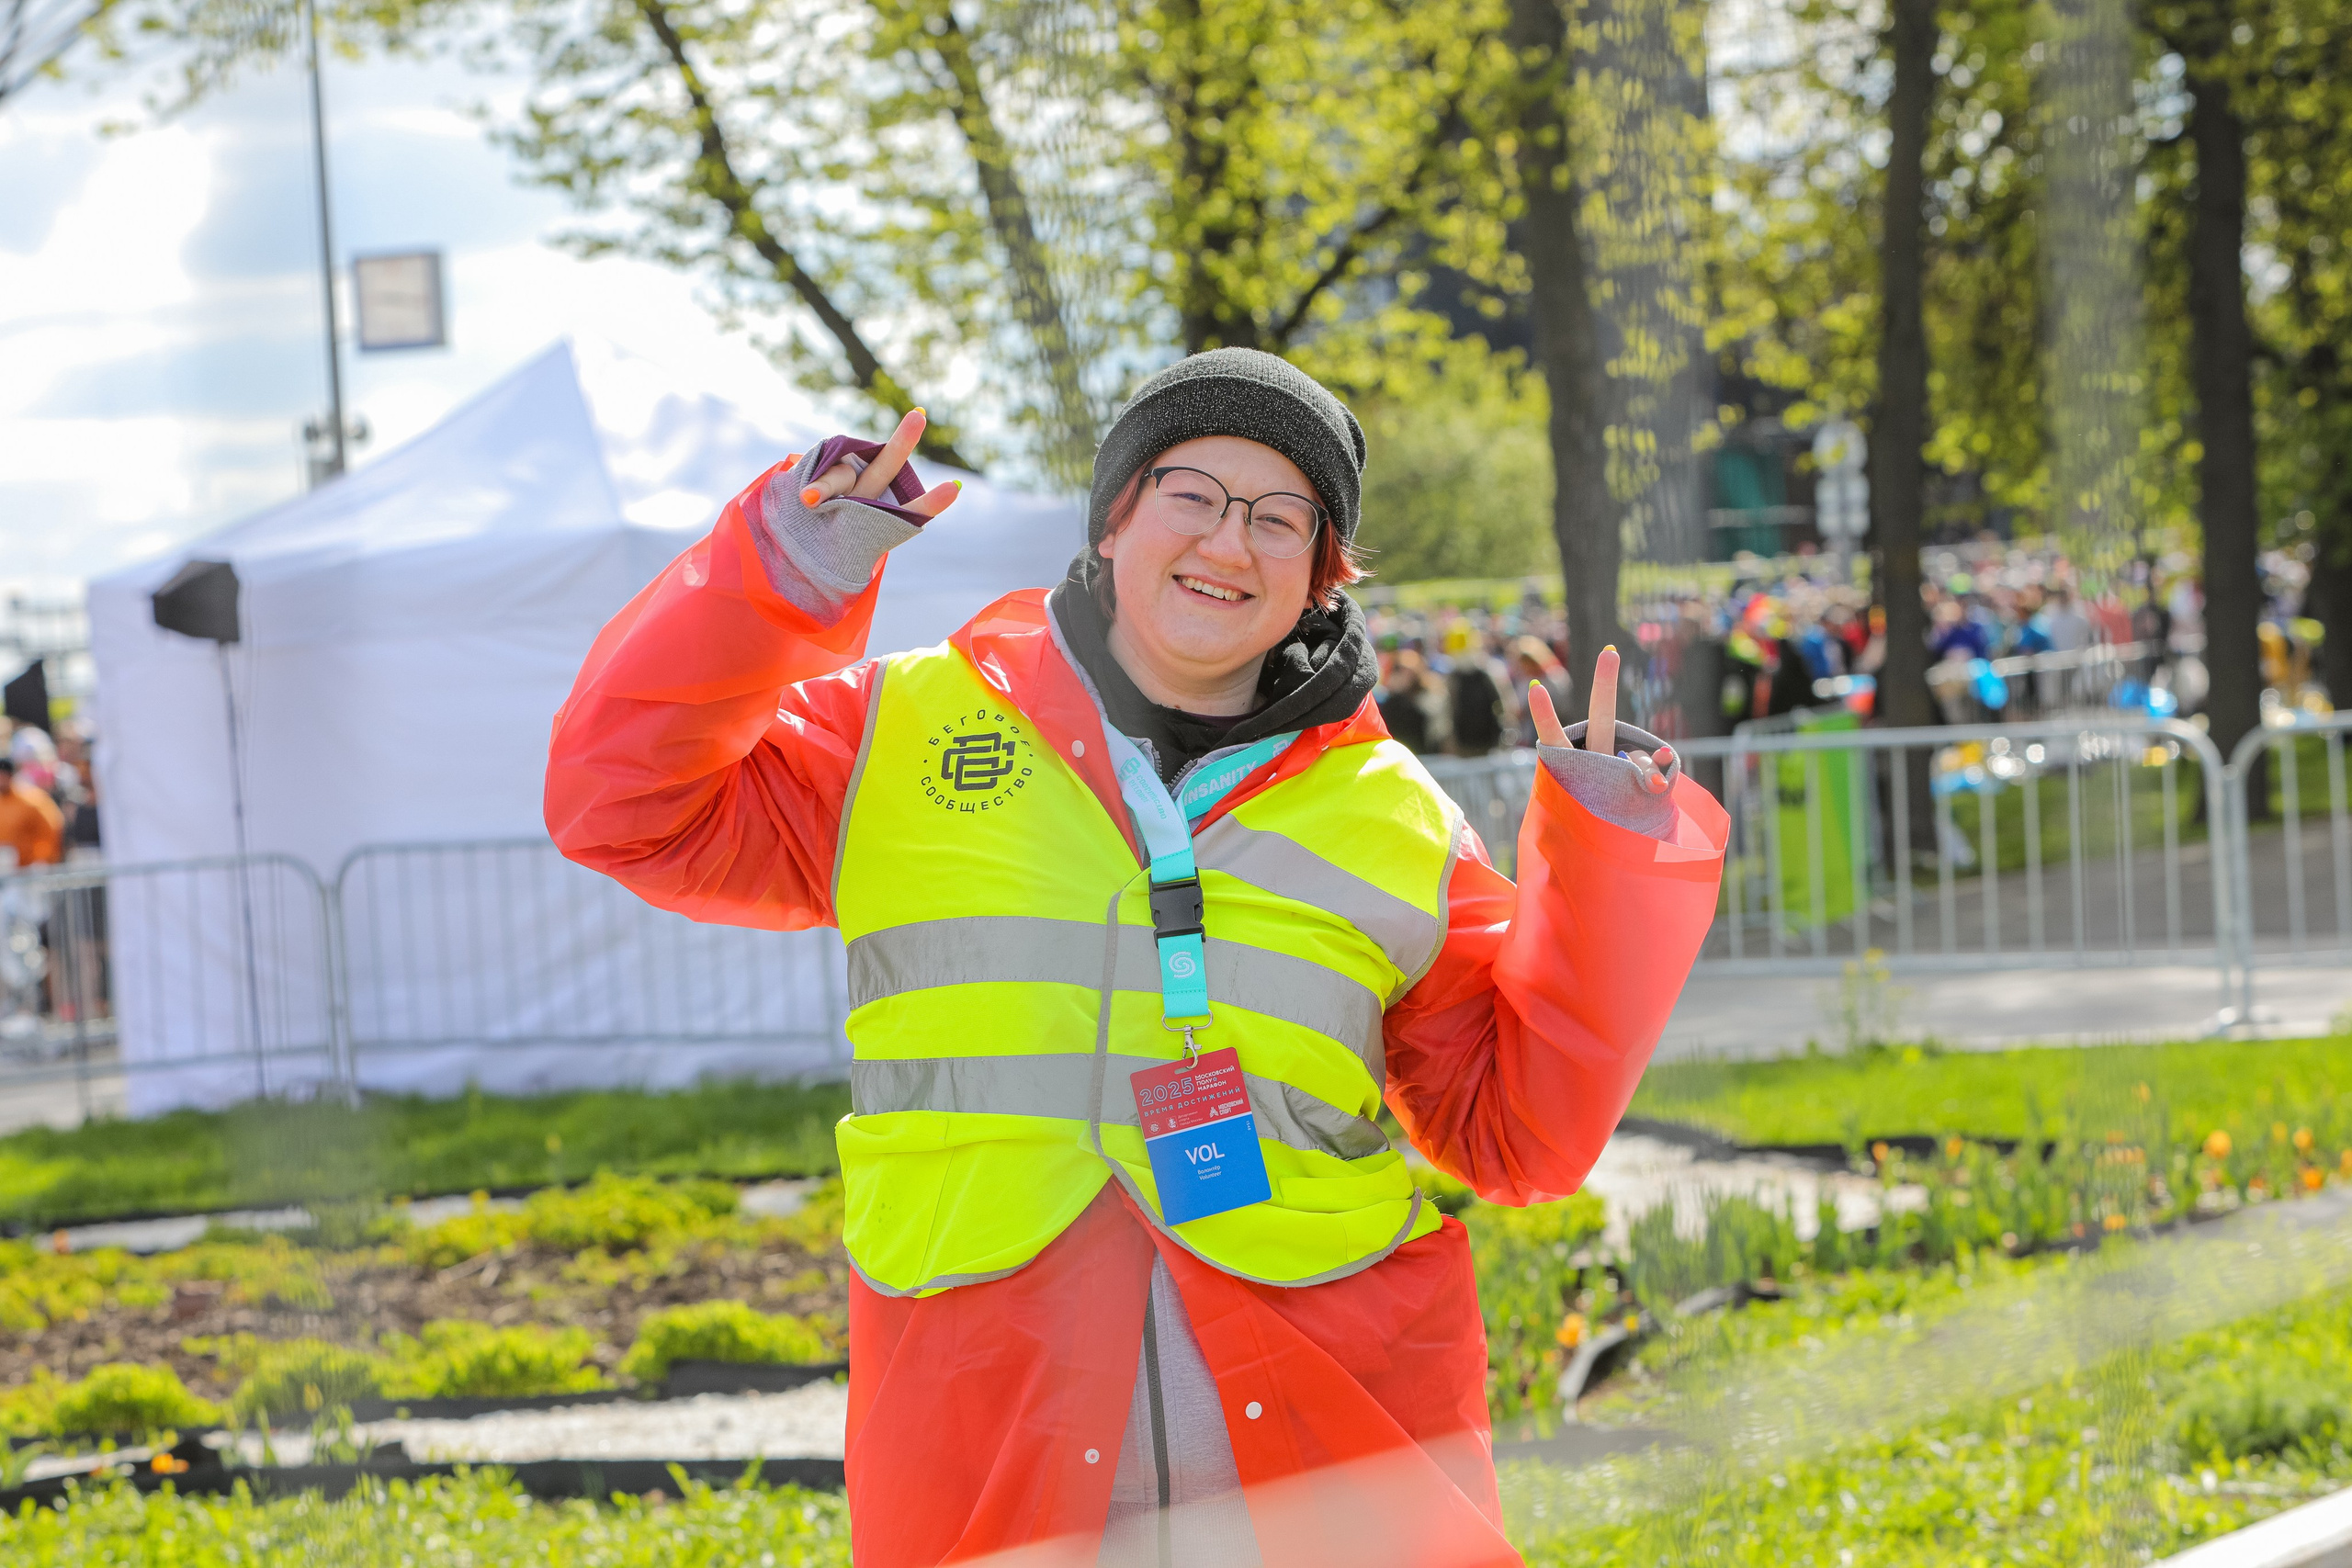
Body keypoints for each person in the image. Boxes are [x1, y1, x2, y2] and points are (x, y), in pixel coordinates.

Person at [546, 349, 1727, 1568]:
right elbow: (620, 802)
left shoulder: (1399, 815)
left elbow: (1514, 1130)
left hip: (1325, 1424)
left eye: (1281, 517)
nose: (1232, 540)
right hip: (994, 1402)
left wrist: (1608, 855)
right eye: (1192, 493)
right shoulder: (893, 733)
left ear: (1323, 577)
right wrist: (787, 568)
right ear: (1114, 522)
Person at [0, 756, 62, 874]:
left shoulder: (32, 799)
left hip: (29, 870)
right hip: (5, 871)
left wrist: (42, 859)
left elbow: (50, 829)